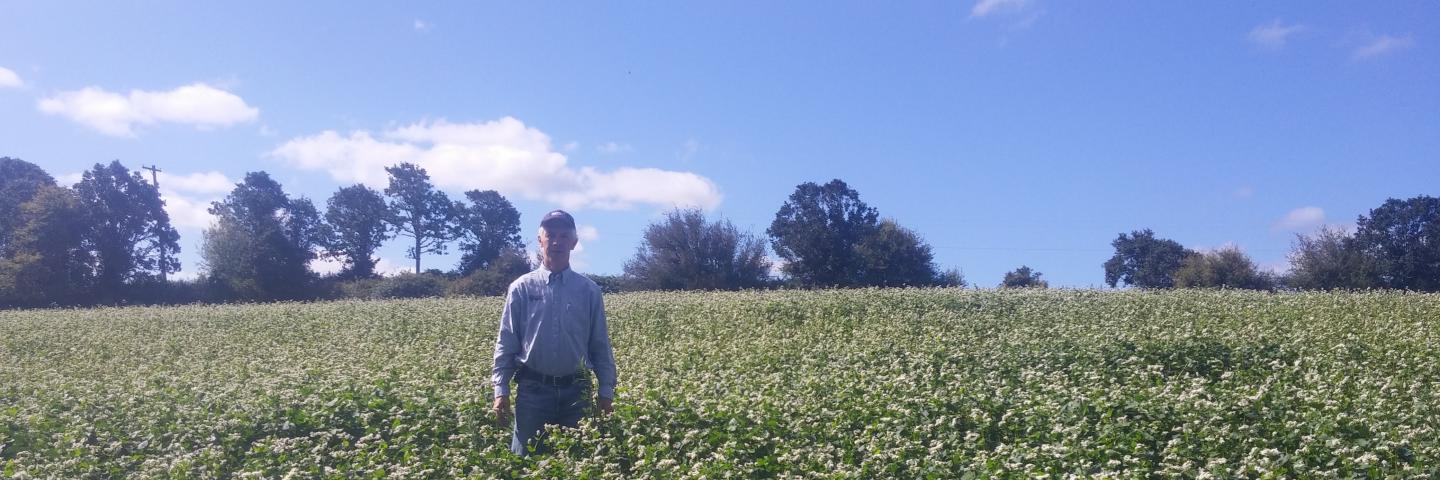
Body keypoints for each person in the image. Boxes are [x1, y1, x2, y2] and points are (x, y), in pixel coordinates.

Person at [492, 209, 618, 456]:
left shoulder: (589, 291)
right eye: (550, 235)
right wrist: (501, 390)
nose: (556, 241)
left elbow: (599, 344)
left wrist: (606, 391)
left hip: (577, 394)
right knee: (525, 464)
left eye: (563, 235)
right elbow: (506, 342)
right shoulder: (521, 288)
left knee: (576, 464)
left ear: (574, 242)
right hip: (533, 392)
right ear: (540, 240)